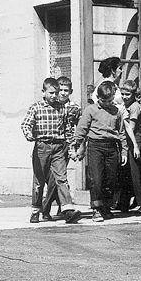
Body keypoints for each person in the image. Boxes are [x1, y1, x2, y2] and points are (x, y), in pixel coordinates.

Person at [21, 78, 81, 224]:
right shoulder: (36, 107)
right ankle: (36, 210)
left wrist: (72, 147)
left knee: (61, 178)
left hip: (59, 148)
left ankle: (67, 210)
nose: (55, 96)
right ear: (44, 92)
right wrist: (29, 134)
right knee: (39, 181)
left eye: (57, 93)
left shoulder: (62, 108)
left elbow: (67, 130)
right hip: (42, 147)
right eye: (51, 93)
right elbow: (26, 124)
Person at [74, 81, 128, 222]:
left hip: (111, 147)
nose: (108, 103)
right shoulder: (91, 110)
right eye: (105, 101)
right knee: (96, 179)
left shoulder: (116, 111)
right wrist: (77, 145)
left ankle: (106, 207)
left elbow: (121, 133)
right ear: (98, 98)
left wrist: (124, 152)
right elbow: (82, 129)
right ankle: (97, 209)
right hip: (95, 146)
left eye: (110, 100)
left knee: (111, 180)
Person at [37, 75, 84, 223]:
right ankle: (55, 208)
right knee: (54, 178)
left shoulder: (75, 108)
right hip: (53, 143)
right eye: (61, 90)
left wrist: (79, 147)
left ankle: (55, 208)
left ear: (71, 91)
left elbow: (81, 129)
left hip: (67, 145)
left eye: (66, 90)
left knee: (58, 178)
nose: (63, 93)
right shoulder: (53, 105)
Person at [116, 79, 141, 213]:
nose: (124, 97)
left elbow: (131, 128)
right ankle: (125, 202)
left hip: (134, 142)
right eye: (122, 94)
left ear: (133, 94)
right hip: (126, 142)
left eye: (127, 94)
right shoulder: (124, 105)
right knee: (125, 173)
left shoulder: (134, 107)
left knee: (135, 173)